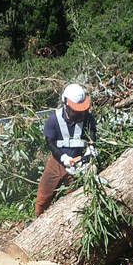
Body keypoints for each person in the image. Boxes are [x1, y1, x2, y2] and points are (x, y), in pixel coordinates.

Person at [34, 83, 98, 217]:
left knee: (74, 198)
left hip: (77, 164)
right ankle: (37, 220)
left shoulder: (88, 118)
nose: (80, 113)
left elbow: (92, 136)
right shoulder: (53, 119)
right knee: (43, 195)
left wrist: (90, 150)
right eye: (76, 110)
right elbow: (49, 142)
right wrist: (62, 157)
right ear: (66, 104)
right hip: (56, 163)